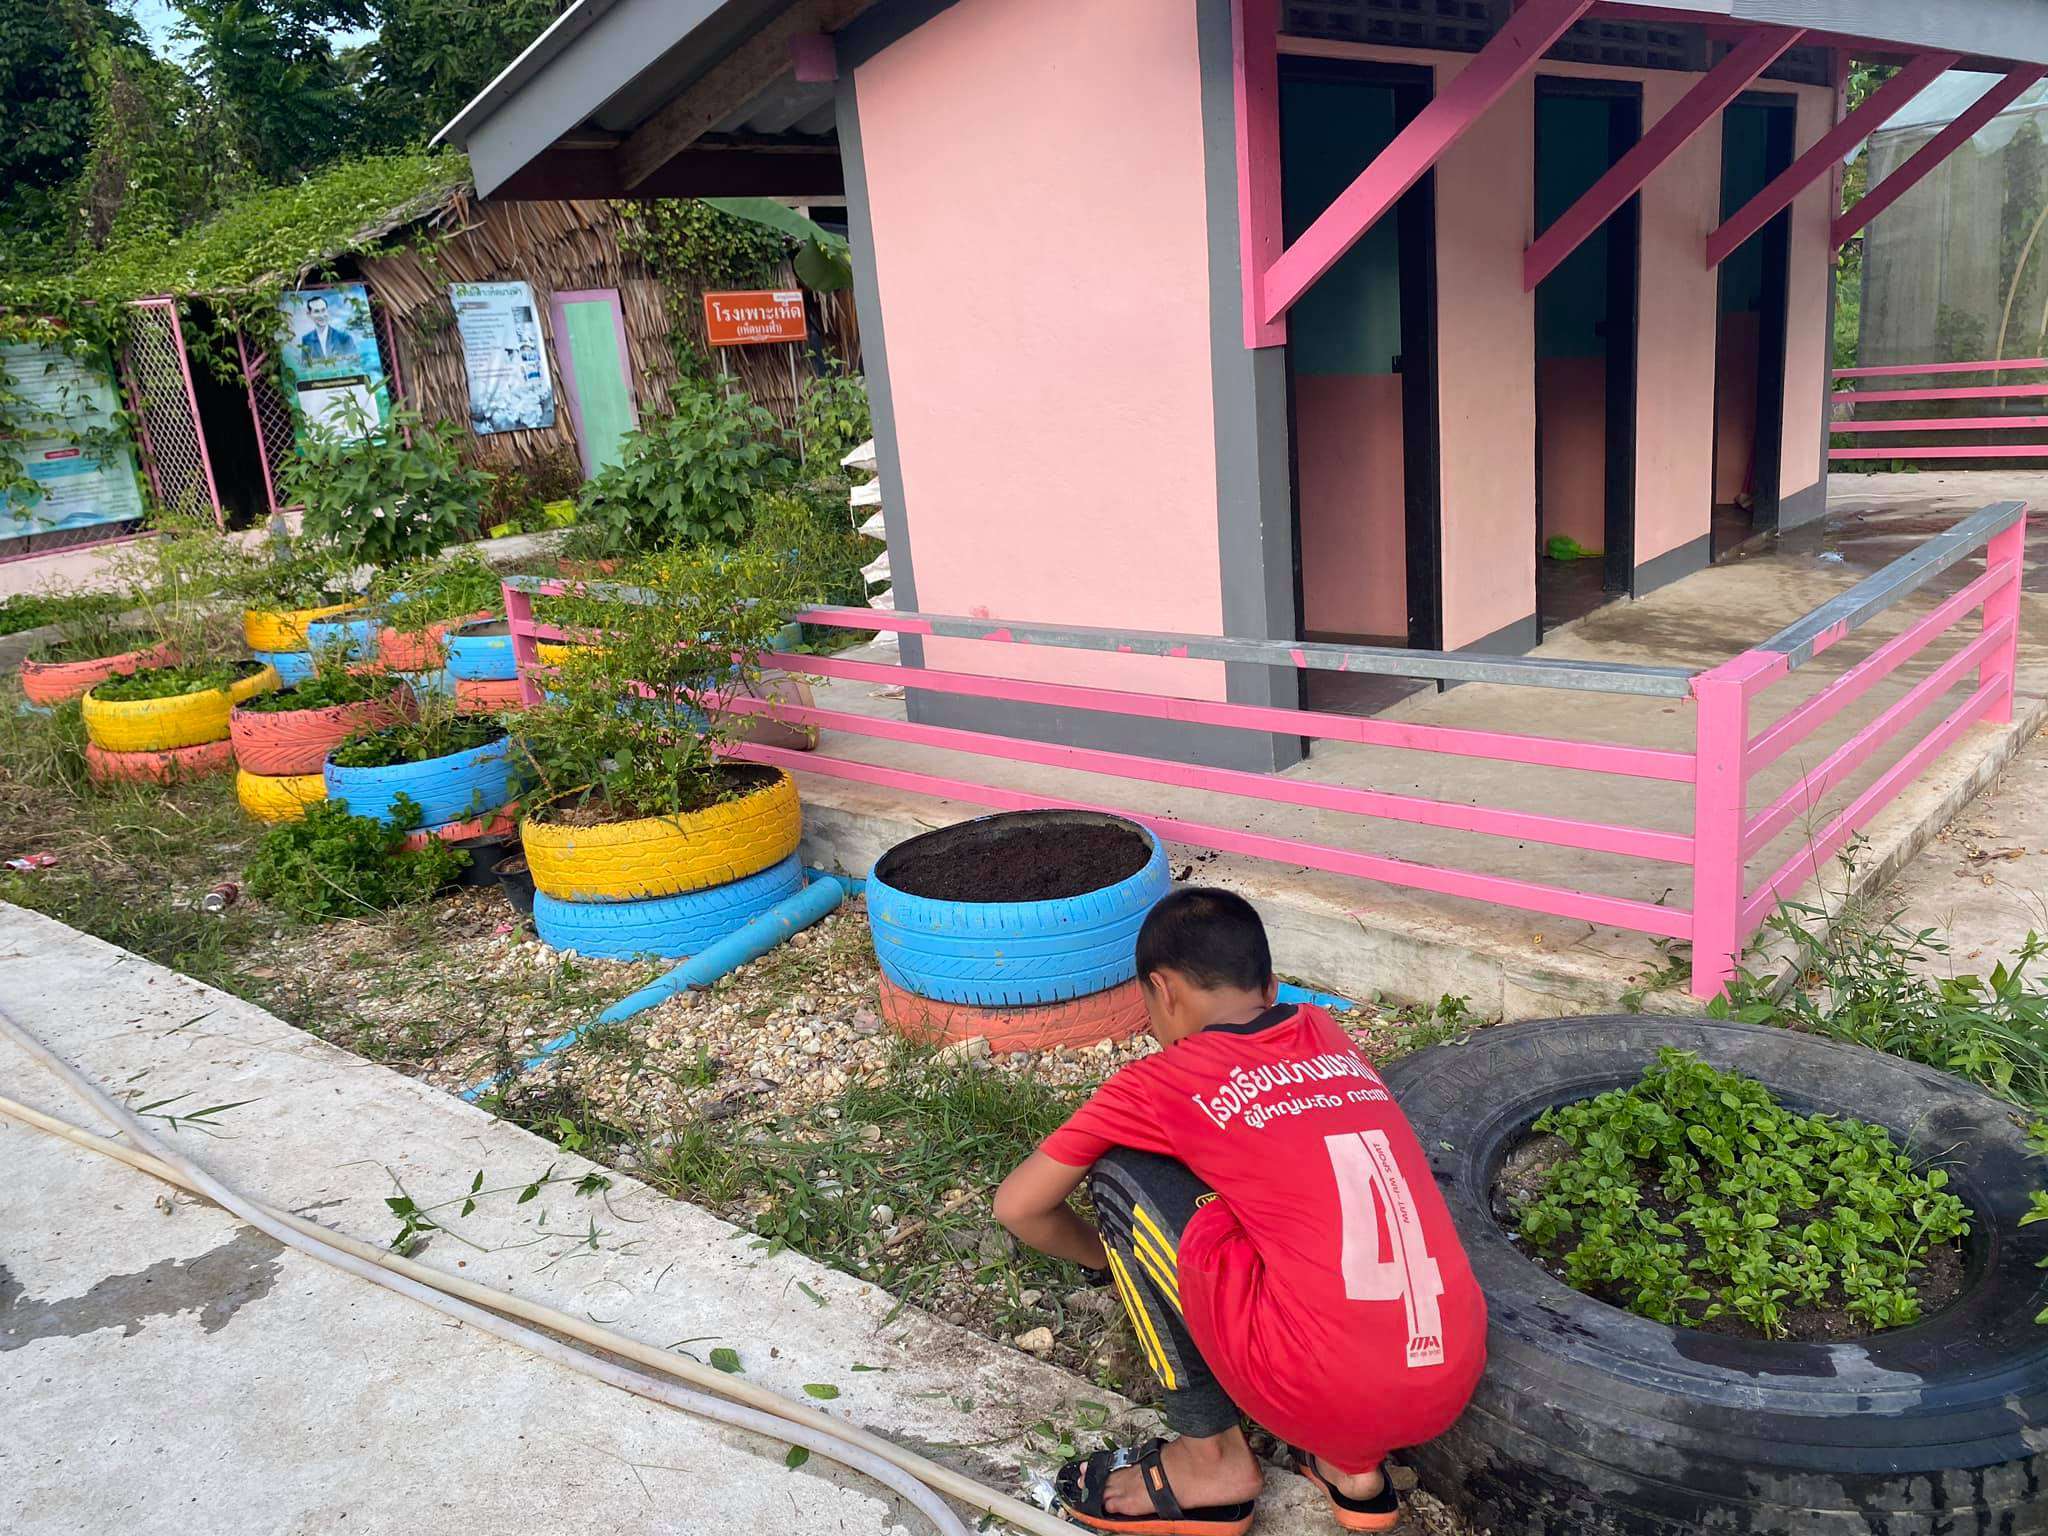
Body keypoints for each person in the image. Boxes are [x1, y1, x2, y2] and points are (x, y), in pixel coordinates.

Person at [993, 889, 1485, 1534]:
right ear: (1272, 987)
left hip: (1318, 1385)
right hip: (1450, 1375)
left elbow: (1018, 1206)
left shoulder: (1158, 1084)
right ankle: (1354, 1473)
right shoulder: (1325, 1032)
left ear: (1162, 991)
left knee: (1120, 1175)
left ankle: (1211, 1461)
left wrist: (1114, 1259)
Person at [297, 295, 359, 363]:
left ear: (327, 311)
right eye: (316, 311)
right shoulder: (306, 339)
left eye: (323, 310)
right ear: (309, 314)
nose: (321, 315)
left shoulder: (344, 338)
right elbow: (305, 366)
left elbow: (355, 364)